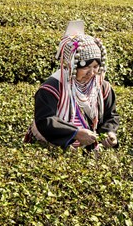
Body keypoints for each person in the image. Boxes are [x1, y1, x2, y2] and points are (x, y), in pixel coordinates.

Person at [25, 20, 119, 150]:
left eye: (96, 66)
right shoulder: (52, 88)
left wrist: (109, 132)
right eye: (86, 67)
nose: (91, 73)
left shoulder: (102, 87)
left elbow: (111, 115)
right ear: (72, 65)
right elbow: (45, 120)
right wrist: (75, 133)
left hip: (89, 149)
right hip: (52, 148)